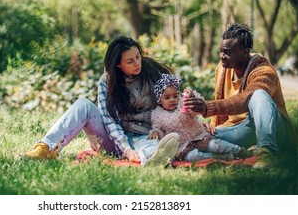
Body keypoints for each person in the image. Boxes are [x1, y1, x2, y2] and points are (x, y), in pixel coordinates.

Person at [21, 35, 180, 167]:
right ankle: (45, 148)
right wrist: (125, 149)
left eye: (138, 57)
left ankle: (153, 159)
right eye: (130, 61)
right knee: (83, 105)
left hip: (146, 135)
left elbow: (174, 99)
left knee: (154, 148)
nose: (137, 63)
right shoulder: (107, 81)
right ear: (118, 64)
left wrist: (194, 119)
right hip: (112, 142)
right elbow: (109, 120)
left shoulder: (153, 72)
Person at [183, 23, 298, 168]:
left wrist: (208, 107)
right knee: (196, 136)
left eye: (227, 52)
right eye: (220, 51)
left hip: (274, 129)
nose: (222, 56)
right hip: (241, 131)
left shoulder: (263, 71)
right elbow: (221, 112)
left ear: (245, 52)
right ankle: (237, 153)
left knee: (259, 95)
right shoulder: (222, 69)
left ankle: (267, 152)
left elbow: (246, 99)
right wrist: (210, 128)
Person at [149, 73, 252, 161]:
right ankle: (221, 157)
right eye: (167, 98)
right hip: (183, 146)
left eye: (175, 96)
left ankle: (239, 151)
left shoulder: (183, 103)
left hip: (199, 137)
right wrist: (156, 132)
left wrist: (192, 97)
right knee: (192, 157)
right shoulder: (158, 114)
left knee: (215, 145)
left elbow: (196, 110)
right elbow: (160, 130)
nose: (172, 100)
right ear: (159, 100)